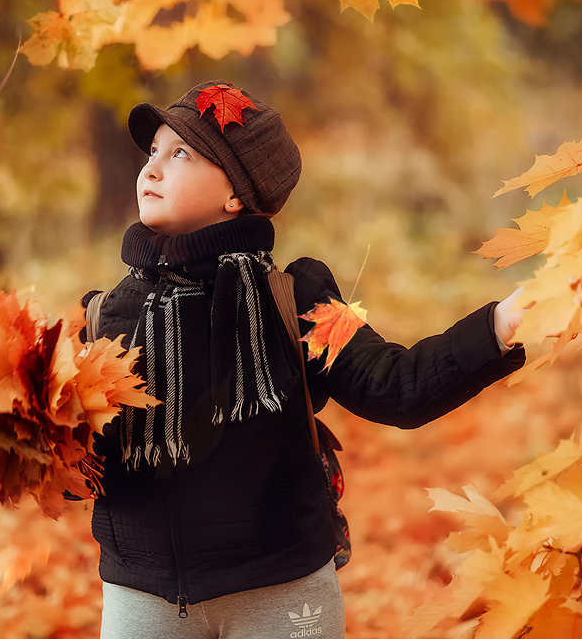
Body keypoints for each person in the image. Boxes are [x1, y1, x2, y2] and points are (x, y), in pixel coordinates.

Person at [83, 81, 527, 639]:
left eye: (181, 154)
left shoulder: (297, 301)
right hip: (140, 599)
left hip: (282, 596)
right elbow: (78, 462)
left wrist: (499, 327)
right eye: (152, 153)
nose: (151, 169)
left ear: (236, 195)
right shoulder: (107, 316)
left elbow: (394, 385)